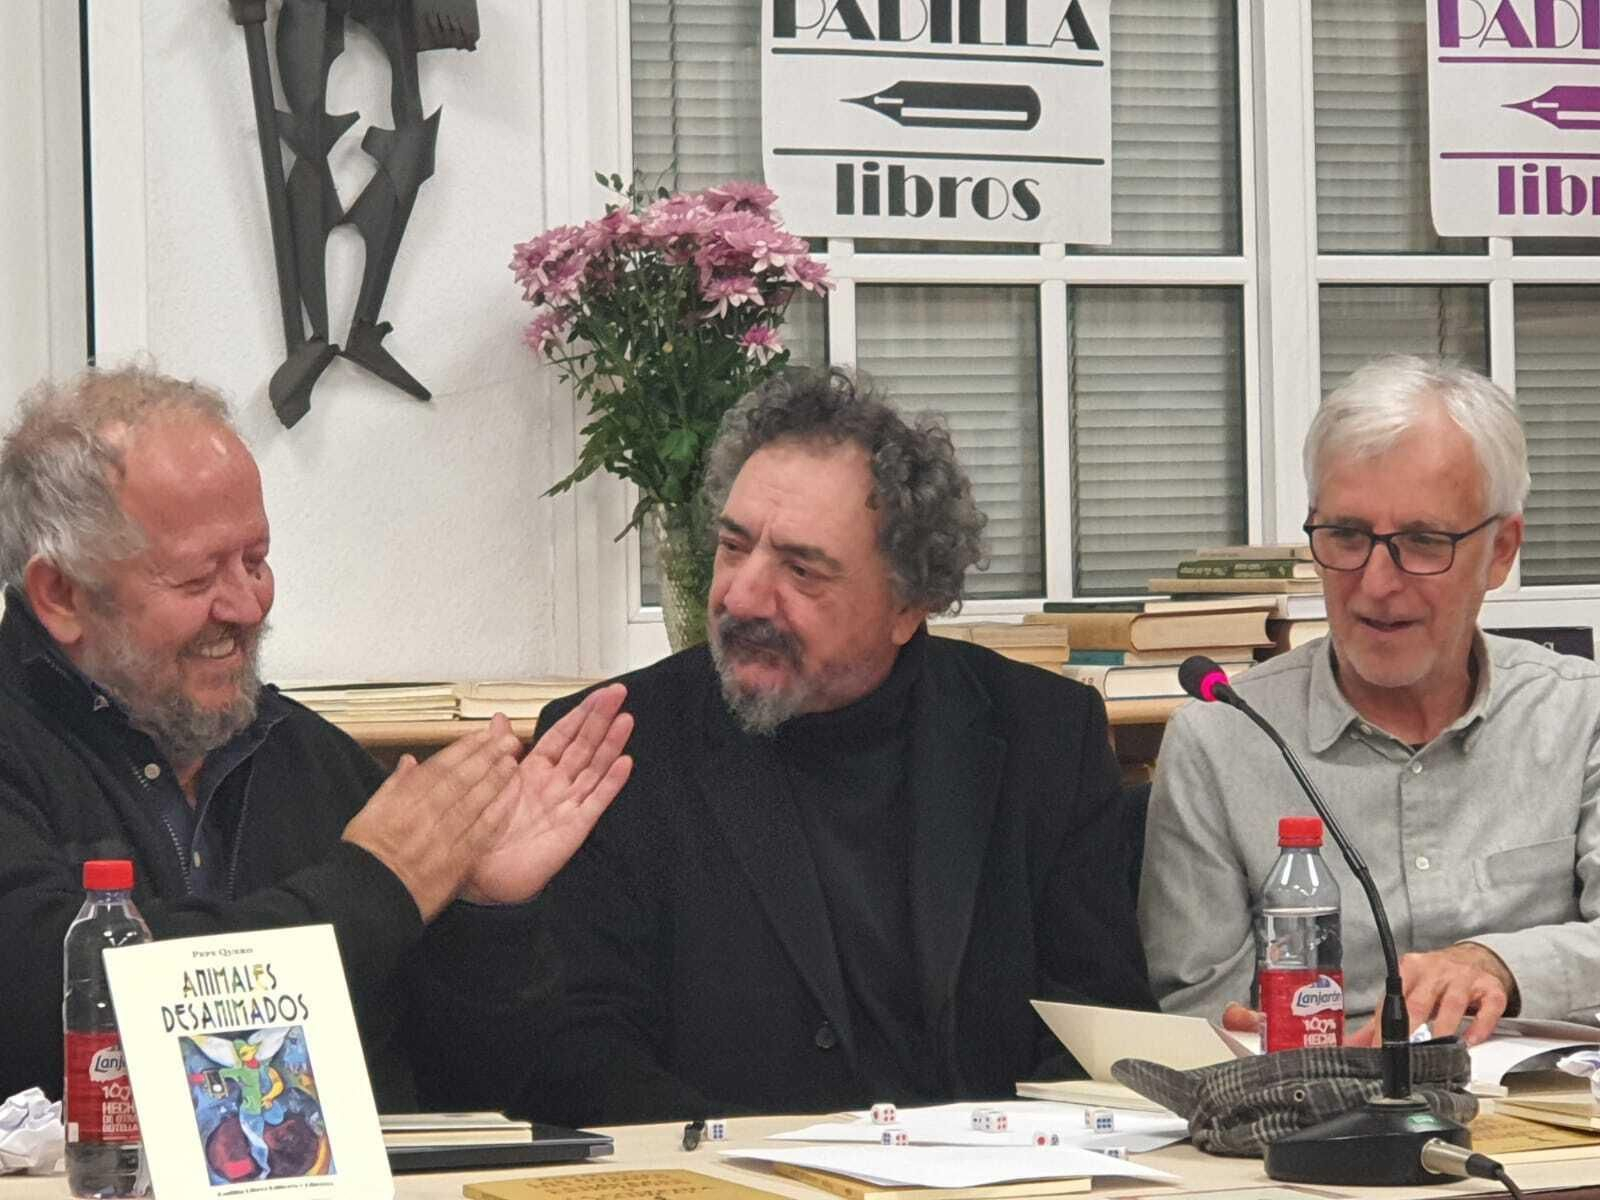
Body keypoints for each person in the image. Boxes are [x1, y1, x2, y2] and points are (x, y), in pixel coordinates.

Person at [521, 367, 1154, 1125]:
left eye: (800, 569)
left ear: (907, 604)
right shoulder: (619, 745)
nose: (744, 596)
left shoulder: (1042, 735)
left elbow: (1094, 1033)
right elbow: (581, 1056)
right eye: (733, 547)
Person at [0, 365, 633, 1108]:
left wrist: (483, 916)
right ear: (62, 595)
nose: (247, 605)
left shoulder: (308, 757)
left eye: (256, 560)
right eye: (198, 578)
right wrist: (374, 886)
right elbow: (69, 1004)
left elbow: (468, 1092)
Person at [1140, 354, 1600, 1046]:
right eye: (1348, 537)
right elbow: (1200, 1010)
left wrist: (1501, 963)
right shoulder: (1222, 740)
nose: (1376, 584)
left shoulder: (1579, 715)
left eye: (1422, 542)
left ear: (1502, 550)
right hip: (1317, 1123)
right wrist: (1239, 1039)